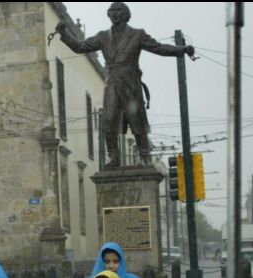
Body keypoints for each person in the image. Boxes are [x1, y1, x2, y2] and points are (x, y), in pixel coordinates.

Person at [55, 2, 195, 168]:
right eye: (111, 11)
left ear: (126, 14)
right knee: (109, 120)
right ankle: (113, 157)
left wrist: (182, 49)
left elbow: (159, 48)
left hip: (130, 83)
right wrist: (64, 33)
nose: (114, 14)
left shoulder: (137, 34)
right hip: (112, 82)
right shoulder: (103, 36)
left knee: (137, 121)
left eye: (118, 10)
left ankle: (145, 157)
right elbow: (80, 47)